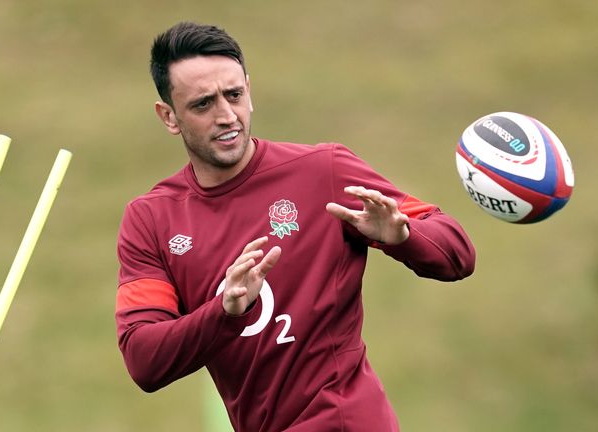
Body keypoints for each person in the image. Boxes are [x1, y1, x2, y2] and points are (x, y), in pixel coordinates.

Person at [115, 21, 476, 432]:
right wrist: (225, 312)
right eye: (202, 104)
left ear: (249, 90)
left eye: (234, 95)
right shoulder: (151, 219)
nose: (226, 115)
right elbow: (143, 360)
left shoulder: (324, 171)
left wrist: (404, 237)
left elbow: (458, 255)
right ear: (169, 117)